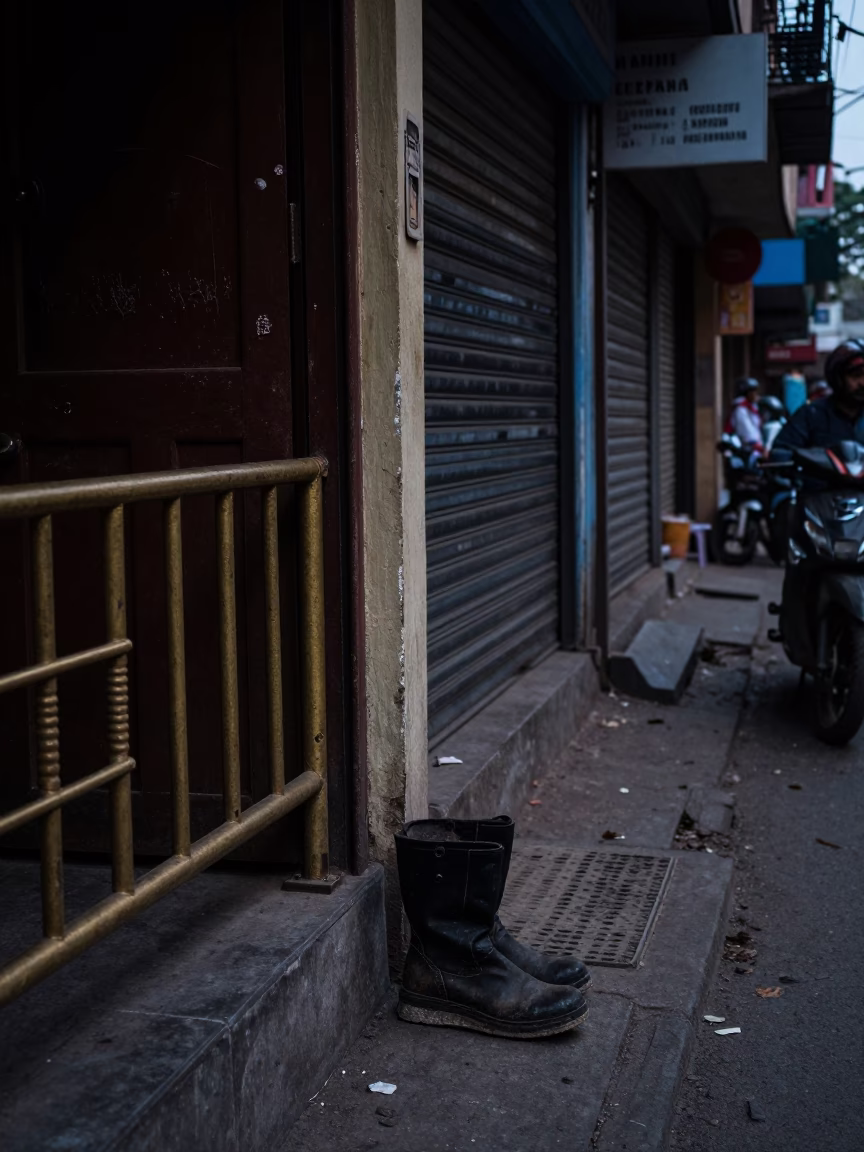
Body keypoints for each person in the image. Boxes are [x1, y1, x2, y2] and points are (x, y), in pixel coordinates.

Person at [773, 340, 864, 452]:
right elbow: (782, 451)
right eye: (856, 375)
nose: (862, 382)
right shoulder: (812, 414)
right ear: (839, 379)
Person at [725, 377, 763, 452]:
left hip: (754, 446)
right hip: (746, 447)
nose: (756, 394)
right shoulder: (741, 408)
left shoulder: (751, 406)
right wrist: (756, 445)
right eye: (753, 392)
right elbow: (746, 431)